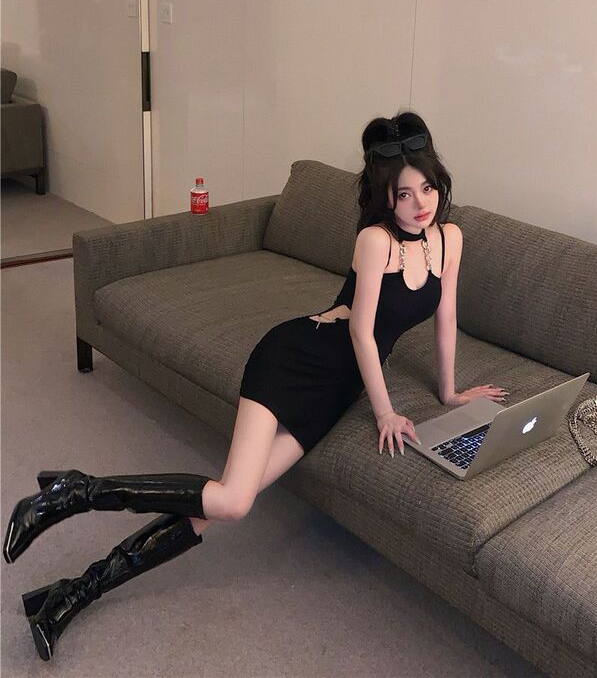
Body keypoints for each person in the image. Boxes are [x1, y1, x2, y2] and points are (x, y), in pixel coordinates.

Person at [3, 110, 509, 661]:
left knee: (219, 505)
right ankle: (75, 492)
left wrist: (449, 393)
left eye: (427, 188)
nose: (419, 203)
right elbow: (362, 333)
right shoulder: (375, 241)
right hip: (296, 359)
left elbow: (445, 316)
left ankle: (71, 593)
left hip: (335, 392)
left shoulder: (450, 238)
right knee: (234, 499)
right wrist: (386, 412)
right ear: (386, 197)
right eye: (404, 193)